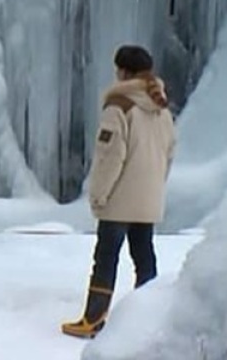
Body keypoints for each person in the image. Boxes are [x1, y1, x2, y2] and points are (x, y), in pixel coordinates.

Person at [61, 45, 177, 339]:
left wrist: (99, 194)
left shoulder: (119, 106)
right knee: (144, 257)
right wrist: (155, 187)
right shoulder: (161, 107)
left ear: (122, 72)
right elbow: (169, 153)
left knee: (105, 258)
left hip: (120, 198)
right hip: (149, 198)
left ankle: (93, 319)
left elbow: (110, 156)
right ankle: (148, 318)